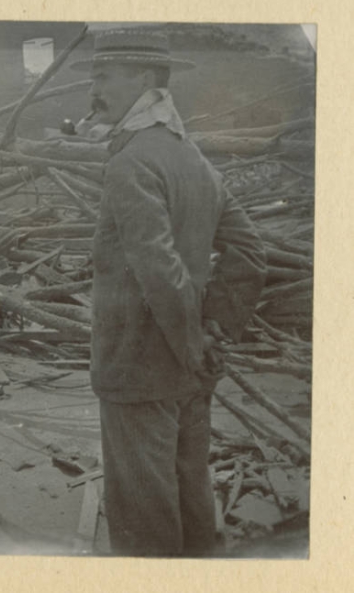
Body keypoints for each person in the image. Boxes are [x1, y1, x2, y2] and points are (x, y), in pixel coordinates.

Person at [70, 30, 267, 556]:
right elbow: (250, 254)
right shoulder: (195, 160)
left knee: (144, 520)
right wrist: (212, 330)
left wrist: (192, 342)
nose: (93, 90)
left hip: (138, 368)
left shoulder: (131, 162)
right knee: (192, 496)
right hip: (191, 367)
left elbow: (158, 268)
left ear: (144, 79)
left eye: (103, 77)